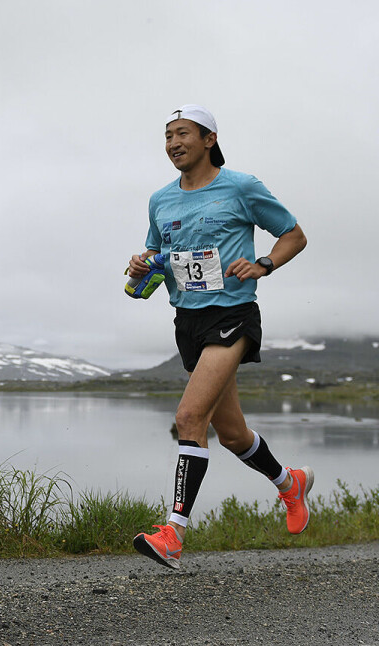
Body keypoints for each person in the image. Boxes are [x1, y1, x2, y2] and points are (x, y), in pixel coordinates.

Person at [128, 104, 310, 569]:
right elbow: (157, 252)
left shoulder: (241, 187)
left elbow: (294, 235)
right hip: (187, 321)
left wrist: (264, 264)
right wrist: (141, 264)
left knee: (189, 417)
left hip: (232, 313)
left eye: (182, 133)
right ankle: (290, 483)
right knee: (231, 434)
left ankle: (173, 534)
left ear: (209, 139)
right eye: (167, 135)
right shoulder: (160, 199)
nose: (173, 143)